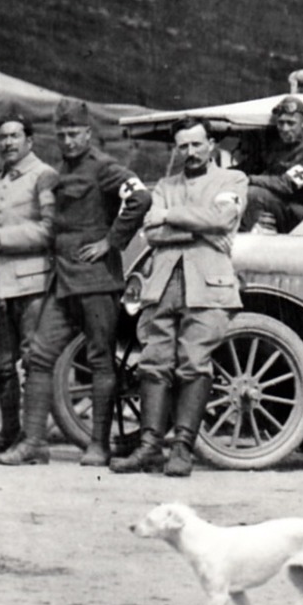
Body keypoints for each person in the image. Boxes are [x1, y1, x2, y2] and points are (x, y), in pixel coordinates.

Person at [0, 98, 149, 468]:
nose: (67, 141)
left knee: (100, 360)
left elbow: (141, 198)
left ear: (88, 133)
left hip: (97, 282)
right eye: (61, 134)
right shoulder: (58, 173)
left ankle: (99, 445)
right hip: (63, 281)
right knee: (37, 354)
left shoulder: (104, 168)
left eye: (74, 134)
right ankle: (33, 442)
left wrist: (110, 243)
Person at [110, 117, 247, 478]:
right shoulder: (165, 185)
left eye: (197, 144)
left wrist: (170, 217)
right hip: (163, 285)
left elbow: (221, 219)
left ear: (212, 145)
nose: (190, 152)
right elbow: (151, 233)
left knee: (194, 363)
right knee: (154, 362)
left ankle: (183, 449)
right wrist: (195, 230)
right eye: (183, 146)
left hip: (209, 285)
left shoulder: (232, 180)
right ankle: (149, 447)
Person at [0, 107, 57, 456]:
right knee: (3, 365)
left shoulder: (44, 176)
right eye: (2, 138)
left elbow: (51, 228)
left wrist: (3, 237)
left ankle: (36, 441)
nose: (7, 143)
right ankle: (10, 431)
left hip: (35, 285)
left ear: (29, 140)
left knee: (33, 360)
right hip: (0, 289)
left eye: (14, 136)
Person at [234, 95, 303, 234]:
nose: (284, 128)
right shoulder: (276, 142)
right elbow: (254, 164)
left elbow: (286, 185)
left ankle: (251, 235)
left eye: (291, 123)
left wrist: (250, 179)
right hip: (278, 202)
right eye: (281, 123)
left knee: (254, 193)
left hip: (302, 214)